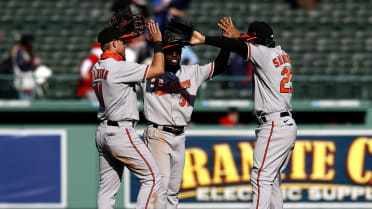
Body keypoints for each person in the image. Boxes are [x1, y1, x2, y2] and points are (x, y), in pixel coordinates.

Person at [189, 18, 297, 209]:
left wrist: (205, 39)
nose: (250, 43)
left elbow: (238, 46)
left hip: (274, 124)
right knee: (272, 181)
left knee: (261, 176)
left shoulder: (264, 54)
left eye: (251, 40)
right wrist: (239, 36)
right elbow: (243, 44)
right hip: (286, 123)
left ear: (257, 41)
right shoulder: (282, 54)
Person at [141, 24, 230, 209]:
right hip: (158, 134)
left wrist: (226, 42)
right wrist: (157, 45)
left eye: (178, 51)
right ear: (163, 52)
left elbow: (220, 65)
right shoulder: (147, 73)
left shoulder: (192, 72)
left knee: (173, 189)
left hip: (180, 135)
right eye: (170, 51)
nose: (175, 55)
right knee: (160, 186)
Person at [93, 20, 166, 209]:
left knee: (107, 190)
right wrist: (157, 43)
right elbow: (158, 69)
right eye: (123, 42)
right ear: (115, 44)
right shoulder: (119, 68)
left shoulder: (97, 67)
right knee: (152, 178)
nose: (126, 45)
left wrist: (117, 30)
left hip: (103, 132)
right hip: (121, 132)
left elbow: (119, 67)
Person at [10, 34, 42, 99]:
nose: (31, 44)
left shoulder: (27, 52)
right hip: (22, 84)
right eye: (30, 42)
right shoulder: (19, 52)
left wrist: (34, 64)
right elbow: (22, 67)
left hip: (29, 84)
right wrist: (33, 63)